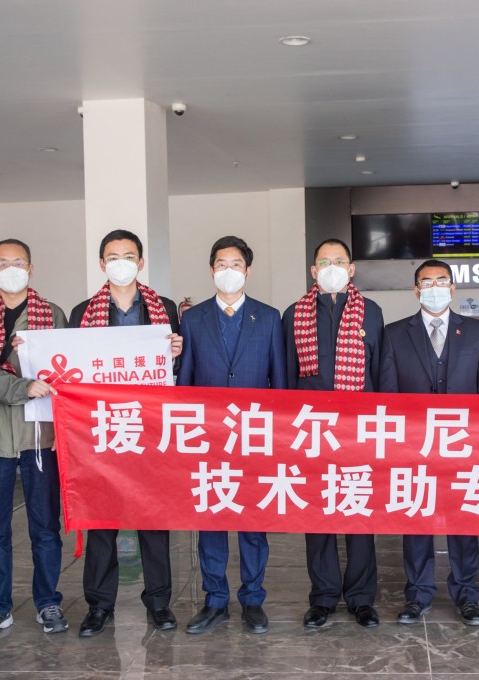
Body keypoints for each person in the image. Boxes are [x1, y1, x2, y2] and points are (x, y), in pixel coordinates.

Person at [69, 228, 184, 637]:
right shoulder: (82, 311)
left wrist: (175, 354)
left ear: (141, 261)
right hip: (101, 429)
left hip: (151, 428)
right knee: (102, 520)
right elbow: (72, 372)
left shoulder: (163, 308)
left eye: (129, 255)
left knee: (153, 517)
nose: (121, 262)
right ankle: (99, 605)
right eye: (113, 256)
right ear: (102, 264)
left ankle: (159, 602)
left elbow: (174, 374)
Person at [379, 259, 479, 626]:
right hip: (414, 446)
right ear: (416, 290)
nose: (434, 287)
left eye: (441, 280)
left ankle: (466, 595)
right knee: (416, 522)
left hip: (463, 446)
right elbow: (387, 393)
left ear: (452, 287)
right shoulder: (395, 333)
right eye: (426, 281)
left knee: (463, 522)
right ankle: (417, 594)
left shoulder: (477, 332)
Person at [177, 236, 286, 635]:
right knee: (211, 520)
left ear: (248, 271)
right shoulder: (193, 319)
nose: (228, 271)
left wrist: (277, 437)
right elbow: (185, 383)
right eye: (221, 264)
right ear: (211, 270)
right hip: (208, 437)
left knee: (253, 521)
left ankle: (253, 599)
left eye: (236, 264)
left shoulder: (270, 317)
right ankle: (215, 599)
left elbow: (280, 384)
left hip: (255, 435)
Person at [0, 239, 68, 640]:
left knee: (45, 526)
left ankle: (48, 602)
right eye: (3, 263)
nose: (11, 268)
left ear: (31, 268)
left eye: (18, 262)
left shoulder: (52, 314)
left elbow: (64, 370)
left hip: (40, 436)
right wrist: (25, 386)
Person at [283, 238, 384, 629]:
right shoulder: (294, 314)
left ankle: (361, 598)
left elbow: (380, 375)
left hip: (360, 429)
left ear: (352, 268)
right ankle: (323, 597)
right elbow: (289, 377)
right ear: (313, 271)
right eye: (324, 261)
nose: (332, 267)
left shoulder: (371, 312)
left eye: (339, 261)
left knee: (359, 513)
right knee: (319, 516)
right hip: (312, 431)